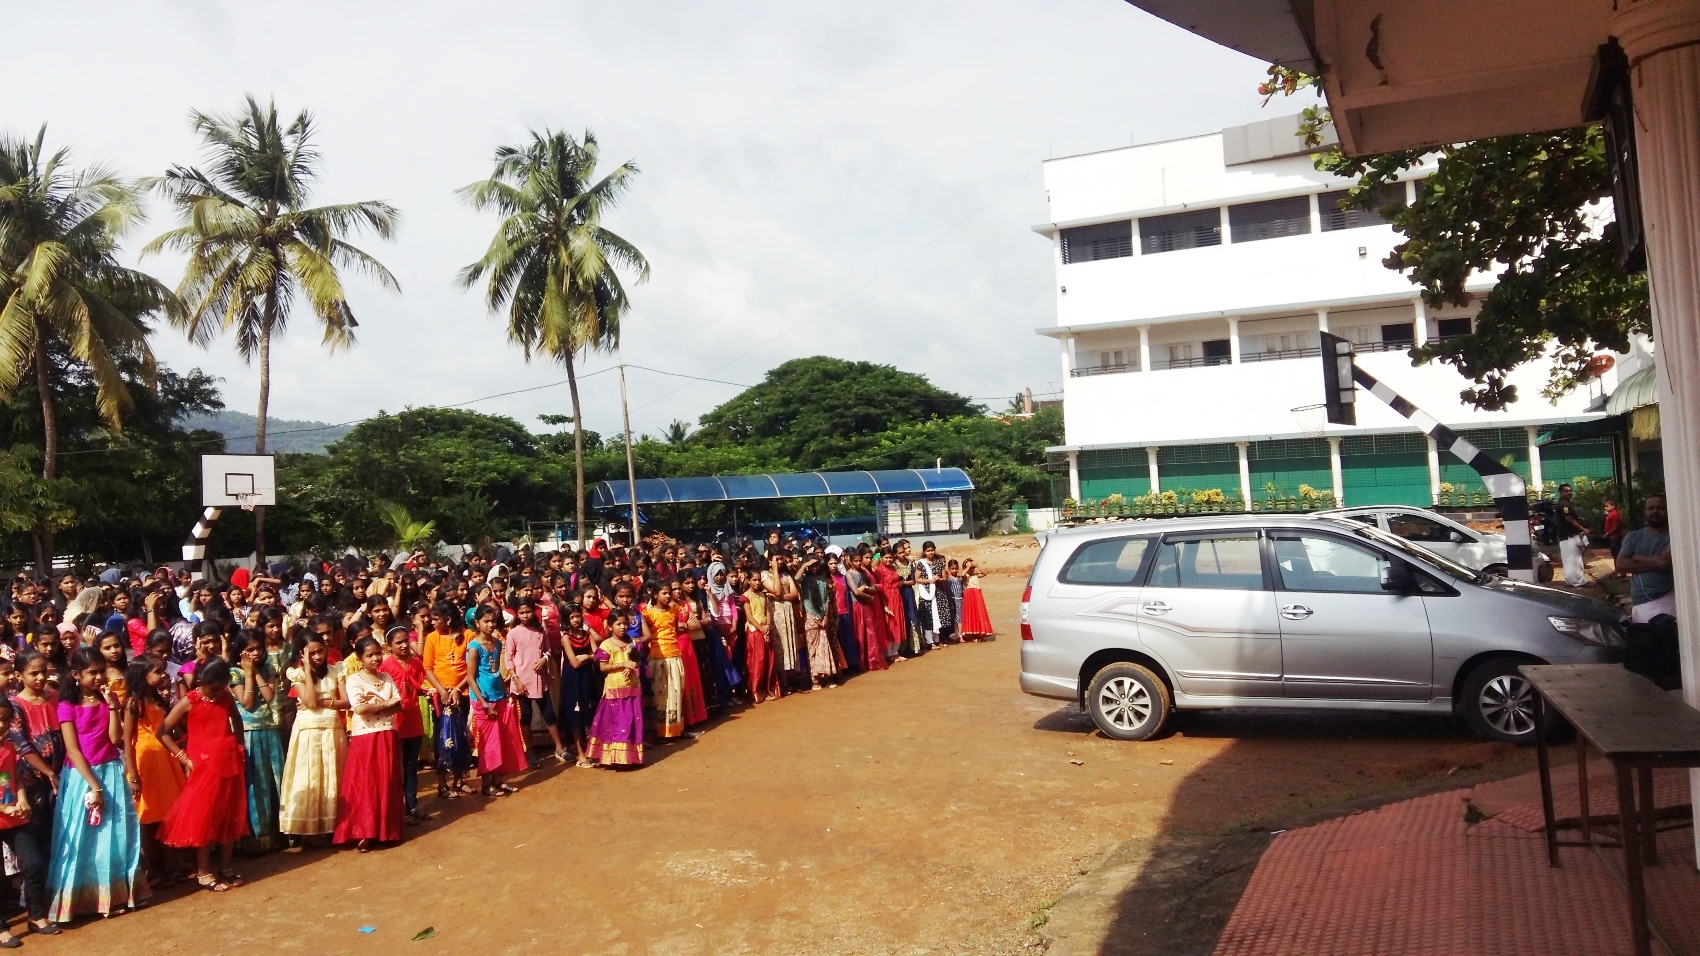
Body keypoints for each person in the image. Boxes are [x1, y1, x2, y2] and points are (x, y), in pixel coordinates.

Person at [46, 649, 148, 922]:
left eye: (100, 671)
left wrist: (112, 706)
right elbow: (73, 750)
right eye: (92, 672)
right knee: (81, 838)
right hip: (83, 777)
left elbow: (114, 738)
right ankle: (78, 901)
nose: (98, 676)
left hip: (111, 770)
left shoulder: (109, 699)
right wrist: (95, 786)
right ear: (76, 676)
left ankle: (112, 897)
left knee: (113, 835)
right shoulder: (67, 706)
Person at [157, 657, 250, 892]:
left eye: (221, 686)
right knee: (205, 819)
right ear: (201, 681)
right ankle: (203, 872)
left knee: (229, 815)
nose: (217, 692)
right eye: (213, 688)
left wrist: (239, 747)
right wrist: (184, 758)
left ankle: (226, 868)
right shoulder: (189, 701)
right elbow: (163, 732)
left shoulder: (226, 696)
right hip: (204, 767)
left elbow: (236, 720)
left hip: (229, 762)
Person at [120, 656, 186, 887]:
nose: (162, 676)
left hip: (164, 761)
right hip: (146, 763)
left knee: (168, 814)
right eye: (157, 672)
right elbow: (127, 741)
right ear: (142, 675)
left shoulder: (157, 698)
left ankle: (171, 867)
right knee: (148, 818)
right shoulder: (133, 703)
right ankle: (154, 870)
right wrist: (133, 775)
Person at [335, 637, 404, 850]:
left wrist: (375, 704)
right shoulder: (354, 680)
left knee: (387, 781)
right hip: (365, 737)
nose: (375, 658)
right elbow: (359, 709)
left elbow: (398, 705)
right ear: (359, 658)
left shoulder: (386, 677)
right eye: (369, 655)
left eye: (377, 653)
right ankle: (365, 832)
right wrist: (385, 704)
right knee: (367, 784)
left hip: (387, 734)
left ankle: (386, 830)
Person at [278, 633, 347, 843]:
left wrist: (324, 702)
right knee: (310, 777)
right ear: (303, 654)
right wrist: (308, 671)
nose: (317, 656)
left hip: (333, 730)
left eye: (320, 651)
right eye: (312, 653)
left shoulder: (336, 670)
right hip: (308, 732)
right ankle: (312, 831)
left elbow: (346, 702)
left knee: (333, 776)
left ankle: (334, 827)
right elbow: (309, 701)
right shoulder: (297, 674)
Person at [0, 694, 55, 943]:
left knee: (33, 863)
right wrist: (4, 809)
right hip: (5, 814)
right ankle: (1, 929)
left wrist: (21, 798)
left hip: (15, 818)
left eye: (4, 720)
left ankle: (36, 916)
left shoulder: (9, 746)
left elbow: (14, 779)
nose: (1, 725)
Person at [230, 631, 285, 853]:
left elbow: (270, 696)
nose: (255, 653)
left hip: (270, 730)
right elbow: (248, 702)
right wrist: (248, 674)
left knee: (276, 780)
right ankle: (256, 838)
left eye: (258, 649)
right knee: (256, 785)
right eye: (249, 649)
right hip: (249, 733)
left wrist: (255, 673)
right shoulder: (233, 672)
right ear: (240, 650)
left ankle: (279, 833)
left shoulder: (268, 668)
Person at [464, 606, 526, 796]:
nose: (490, 625)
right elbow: (470, 678)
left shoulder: (498, 644)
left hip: (499, 696)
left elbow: (496, 672)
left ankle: (498, 781)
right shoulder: (474, 647)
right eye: (486, 621)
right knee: (487, 743)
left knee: (501, 740)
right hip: (483, 700)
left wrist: (505, 695)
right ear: (478, 623)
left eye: (492, 621)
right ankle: (486, 783)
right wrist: (483, 704)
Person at [502, 599, 566, 763]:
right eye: (522, 613)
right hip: (522, 681)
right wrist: (515, 679)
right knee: (526, 715)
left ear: (533, 612)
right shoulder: (513, 633)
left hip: (539, 679)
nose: (525, 615)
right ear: (517, 614)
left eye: (528, 612)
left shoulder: (540, 631)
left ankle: (559, 747)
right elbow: (508, 659)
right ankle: (529, 751)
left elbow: (547, 650)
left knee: (549, 713)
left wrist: (544, 658)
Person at [420, 602, 472, 800]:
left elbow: (471, 667)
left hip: (463, 693)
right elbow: (428, 667)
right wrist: (443, 691)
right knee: (442, 738)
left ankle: (458, 780)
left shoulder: (467, 636)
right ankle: (442, 784)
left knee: (461, 736)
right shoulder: (432, 638)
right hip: (440, 695)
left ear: (447, 619)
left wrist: (458, 689)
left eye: (435, 618)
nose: (431, 622)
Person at [377, 627, 428, 824]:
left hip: (413, 718)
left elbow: (422, 686)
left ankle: (412, 805)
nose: (404, 645)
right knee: (395, 766)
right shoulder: (386, 666)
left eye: (406, 640)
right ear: (389, 647)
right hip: (395, 721)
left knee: (411, 765)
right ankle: (398, 808)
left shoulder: (416, 663)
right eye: (398, 642)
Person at [585, 609, 644, 768]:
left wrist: (633, 665)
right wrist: (623, 664)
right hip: (615, 690)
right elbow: (603, 668)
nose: (623, 627)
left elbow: (637, 661)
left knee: (631, 722)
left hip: (632, 688)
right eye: (618, 624)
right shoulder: (606, 645)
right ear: (610, 626)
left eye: (625, 623)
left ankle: (631, 757)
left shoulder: (632, 642)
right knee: (618, 724)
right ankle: (616, 758)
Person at [1616, 495, 1675, 624]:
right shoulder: (1633, 537)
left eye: (1660, 508)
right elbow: (1620, 564)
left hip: (1667, 598)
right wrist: (1657, 562)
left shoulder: (1673, 536)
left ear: (1667, 510)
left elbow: (1665, 563)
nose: (1655, 511)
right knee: (1646, 639)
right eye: (1651, 508)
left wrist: (1636, 557)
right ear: (1645, 512)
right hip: (1640, 601)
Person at [1554, 483, 1591, 587]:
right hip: (1568, 536)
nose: (1569, 493)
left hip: (1569, 536)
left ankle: (1574, 581)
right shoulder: (1564, 505)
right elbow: (1569, 519)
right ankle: (1577, 582)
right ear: (1560, 492)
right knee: (1572, 560)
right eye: (1566, 491)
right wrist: (1582, 528)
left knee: (1573, 559)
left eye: (1570, 490)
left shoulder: (1566, 503)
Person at [958, 559, 994, 641]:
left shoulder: (975, 576)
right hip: (969, 595)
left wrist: (977, 566)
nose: (972, 569)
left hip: (977, 595)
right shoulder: (966, 576)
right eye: (970, 568)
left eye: (972, 568)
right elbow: (962, 574)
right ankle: (971, 633)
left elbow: (985, 573)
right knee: (971, 613)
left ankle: (978, 631)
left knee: (978, 612)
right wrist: (968, 567)